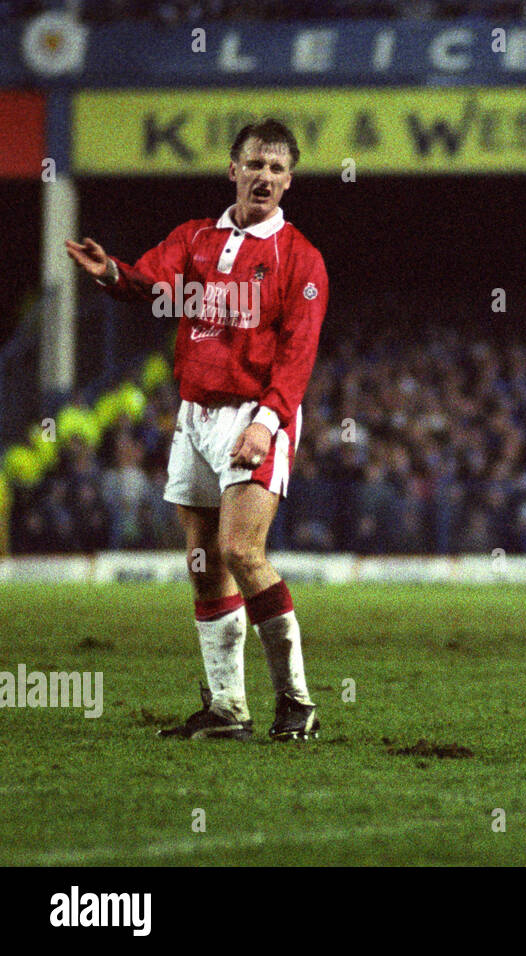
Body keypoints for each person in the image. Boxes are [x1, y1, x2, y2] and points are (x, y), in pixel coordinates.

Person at [66, 118, 327, 741]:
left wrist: (267, 423)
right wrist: (110, 273)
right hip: (196, 413)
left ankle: (297, 704)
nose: (264, 176)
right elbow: (150, 284)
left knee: (243, 550)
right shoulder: (194, 239)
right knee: (206, 562)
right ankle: (227, 710)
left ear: (289, 181)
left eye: (277, 168)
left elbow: (299, 353)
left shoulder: (301, 258)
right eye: (254, 164)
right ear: (232, 169)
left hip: (255, 415)